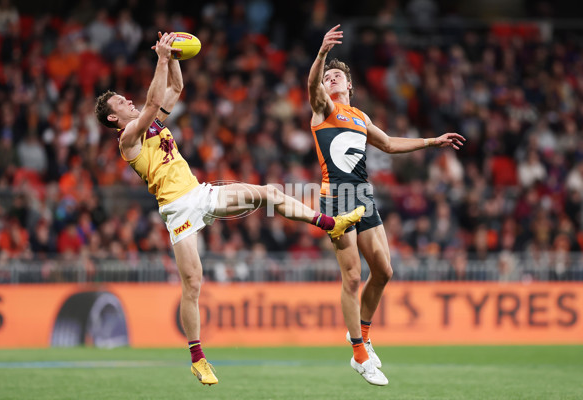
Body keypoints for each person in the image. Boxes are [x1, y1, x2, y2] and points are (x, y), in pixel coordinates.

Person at [94, 32, 364, 386]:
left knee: (268, 192)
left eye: (125, 98)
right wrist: (160, 58)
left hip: (200, 193)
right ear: (114, 119)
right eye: (120, 103)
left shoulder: (152, 120)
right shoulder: (128, 137)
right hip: (177, 210)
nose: (127, 101)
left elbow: (174, 89)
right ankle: (197, 358)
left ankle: (330, 223)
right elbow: (150, 101)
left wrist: (173, 57)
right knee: (193, 283)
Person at [307, 25, 465, 386]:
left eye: (337, 76)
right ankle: (359, 354)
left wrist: (432, 141)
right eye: (327, 76)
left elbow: (390, 144)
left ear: (349, 86)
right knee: (351, 276)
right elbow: (312, 83)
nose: (330, 78)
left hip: (362, 195)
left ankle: (361, 332)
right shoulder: (322, 108)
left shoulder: (360, 117)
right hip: (336, 198)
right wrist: (320, 55)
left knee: (384, 271)